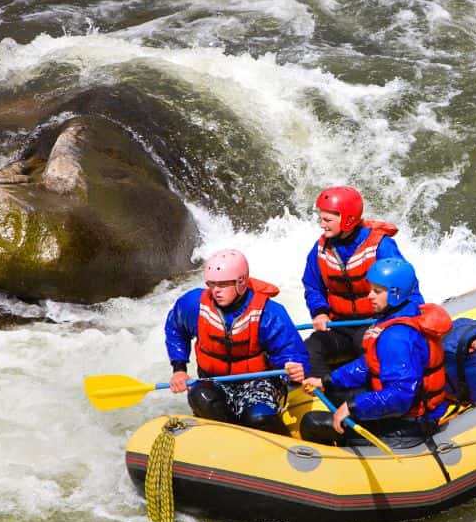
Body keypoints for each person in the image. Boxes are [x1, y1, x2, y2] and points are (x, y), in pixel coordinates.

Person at [300, 258, 452, 448]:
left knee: (312, 422)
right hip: (402, 413)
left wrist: (353, 407)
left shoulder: (397, 337)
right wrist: (327, 381)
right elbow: (368, 363)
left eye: (377, 291)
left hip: (405, 427)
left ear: (396, 294)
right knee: (338, 395)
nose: (369, 296)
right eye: (371, 289)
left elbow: (401, 396)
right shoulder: (400, 314)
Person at [165, 249, 309, 434]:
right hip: (215, 380)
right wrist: (179, 370)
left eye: (223, 285)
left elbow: (292, 351)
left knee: (257, 417)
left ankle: (280, 444)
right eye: (212, 284)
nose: (216, 290)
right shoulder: (193, 304)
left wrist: (295, 367)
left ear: (241, 282)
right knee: (201, 397)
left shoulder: (268, 312)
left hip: (259, 381)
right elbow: (175, 329)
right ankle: (228, 440)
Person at [301, 185, 423, 377]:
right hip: (340, 326)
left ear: (348, 219)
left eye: (327, 220)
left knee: (365, 343)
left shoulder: (381, 246)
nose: (322, 225)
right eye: (320, 219)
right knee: (310, 349)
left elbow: (406, 285)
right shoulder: (320, 249)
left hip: (376, 321)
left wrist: (410, 321)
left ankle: (374, 395)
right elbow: (312, 286)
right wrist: (320, 312)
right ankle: (327, 395)